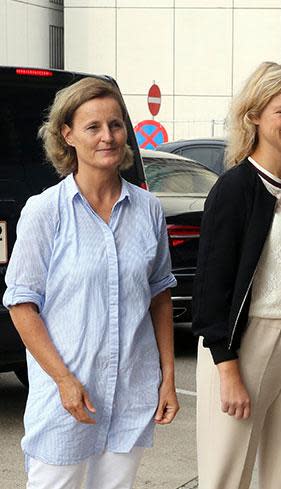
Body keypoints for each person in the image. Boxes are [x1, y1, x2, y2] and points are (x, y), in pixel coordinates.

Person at [3, 77, 179, 489]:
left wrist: (167, 377)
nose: (108, 137)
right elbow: (21, 305)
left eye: (115, 125)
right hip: (66, 397)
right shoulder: (45, 211)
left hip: (131, 394)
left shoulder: (148, 209)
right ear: (67, 135)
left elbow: (160, 295)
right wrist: (63, 380)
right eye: (93, 127)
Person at [192, 61, 281, 489]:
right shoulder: (235, 188)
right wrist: (227, 369)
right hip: (246, 344)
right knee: (226, 474)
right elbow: (212, 286)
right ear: (254, 116)